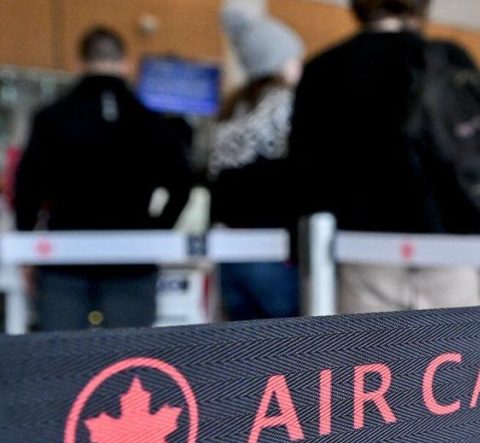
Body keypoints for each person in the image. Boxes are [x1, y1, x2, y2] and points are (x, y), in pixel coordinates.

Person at [289, 1, 480, 443]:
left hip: (364, 256)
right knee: (466, 412)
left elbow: (304, 180)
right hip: (450, 254)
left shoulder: (326, 69)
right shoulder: (449, 58)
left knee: (370, 416)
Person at [14, 27, 191, 331]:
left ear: (79, 64)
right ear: (126, 63)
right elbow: (182, 185)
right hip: (133, 260)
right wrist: (155, 230)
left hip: (64, 260)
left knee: (63, 362)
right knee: (129, 361)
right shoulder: (151, 121)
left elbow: (27, 188)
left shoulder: (52, 117)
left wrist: (28, 244)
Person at [210, 1, 305, 321]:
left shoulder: (232, 111)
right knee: (286, 358)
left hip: (230, 254)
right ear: (279, 62)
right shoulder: (286, 106)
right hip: (273, 253)